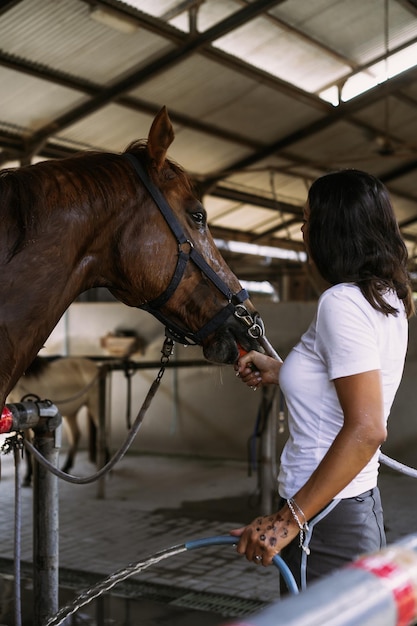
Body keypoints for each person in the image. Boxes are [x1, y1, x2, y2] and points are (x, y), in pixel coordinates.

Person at [232, 169, 414, 591]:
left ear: (334, 231)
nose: (302, 229)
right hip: (351, 506)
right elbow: (353, 381)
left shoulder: (341, 303)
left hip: (324, 518)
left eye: (309, 219)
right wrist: (282, 372)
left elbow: (367, 429)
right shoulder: (385, 297)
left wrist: (285, 521)